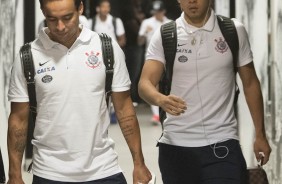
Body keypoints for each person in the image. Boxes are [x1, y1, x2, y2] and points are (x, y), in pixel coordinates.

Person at [7, 0, 152, 183]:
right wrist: (14, 174)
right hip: (49, 173)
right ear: (43, 12)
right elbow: (18, 120)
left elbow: (124, 109)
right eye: (52, 19)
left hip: (103, 169)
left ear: (80, 8)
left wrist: (139, 163)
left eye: (67, 18)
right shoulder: (28, 57)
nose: (60, 27)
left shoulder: (106, 48)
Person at [138, 0, 272, 183]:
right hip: (176, 146)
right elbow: (144, 84)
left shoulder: (233, 30)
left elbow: (250, 83)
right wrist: (160, 99)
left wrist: (260, 135)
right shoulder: (165, 35)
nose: (192, 1)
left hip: (223, 142)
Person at [137, 0, 171, 125]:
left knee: (167, 84)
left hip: (169, 59)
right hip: (151, 58)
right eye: (155, 12)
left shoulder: (170, 23)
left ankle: (166, 110)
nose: (157, 14)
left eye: (159, 11)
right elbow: (139, 42)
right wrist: (145, 32)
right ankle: (156, 114)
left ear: (164, 11)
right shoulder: (147, 22)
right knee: (152, 84)